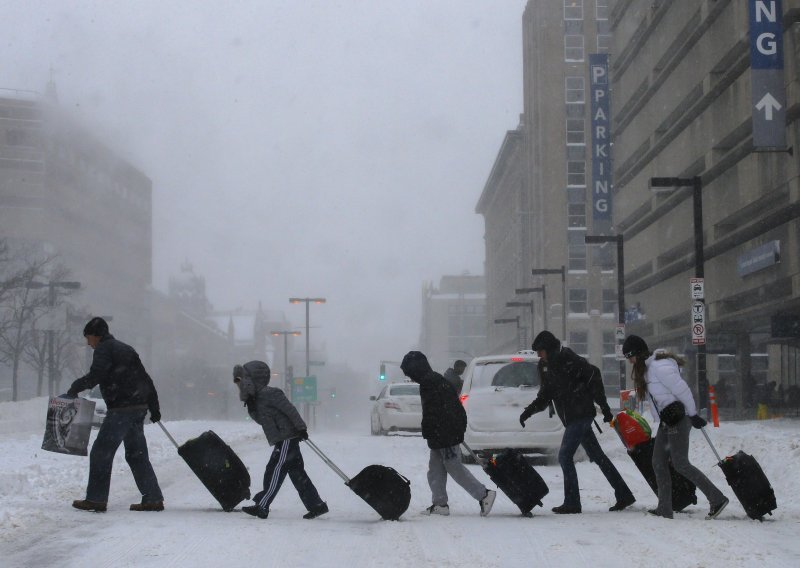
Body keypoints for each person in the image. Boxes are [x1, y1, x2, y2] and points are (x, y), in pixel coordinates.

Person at [519, 330, 635, 514]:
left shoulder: (568, 359)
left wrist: (604, 407)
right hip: (572, 417)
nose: (539, 355)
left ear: (549, 349)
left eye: (540, 351)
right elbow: (545, 395)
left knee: (565, 456)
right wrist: (528, 412)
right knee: (598, 456)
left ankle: (572, 502)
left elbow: (594, 375)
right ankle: (624, 494)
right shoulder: (546, 366)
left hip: (581, 414)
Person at [622, 334, 729, 520]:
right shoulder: (647, 370)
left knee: (680, 463)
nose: (630, 361)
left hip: (679, 418)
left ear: (638, 353)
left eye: (630, 356)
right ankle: (665, 508)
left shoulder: (659, 367)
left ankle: (717, 498)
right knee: (657, 461)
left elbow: (682, 390)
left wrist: (693, 414)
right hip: (668, 419)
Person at [67, 317, 164, 512]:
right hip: (138, 407)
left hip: (122, 409)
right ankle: (152, 498)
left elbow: (97, 375)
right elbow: (145, 379)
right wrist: (153, 406)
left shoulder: (104, 349)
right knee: (136, 455)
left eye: (88, 338)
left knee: (101, 452)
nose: (88, 343)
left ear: (96, 335)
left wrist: (76, 387)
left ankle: (96, 499)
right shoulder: (126, 349)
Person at [400, 351, 496, 517]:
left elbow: (433, 411)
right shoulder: (433, 379)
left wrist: (435, 431)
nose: (410, 378)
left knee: (454, 467)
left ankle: (484, 495)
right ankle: (440, 504)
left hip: (445, 433)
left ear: (416, 370)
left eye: (409, 374)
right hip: (442, 432)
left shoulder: (430, 383)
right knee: (435, 469)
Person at [234, 360, 328, 520]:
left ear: (253, 379)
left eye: (244, 380)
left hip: (287, 438)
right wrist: (251, 405)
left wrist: (301, 427)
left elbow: (290, 409)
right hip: (282, 439)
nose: (241, 385)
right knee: (297, 473)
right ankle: (316, 505)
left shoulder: (271, 393)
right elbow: (262, 420)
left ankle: (262, 506)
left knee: (274, 470)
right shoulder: (257, 399)